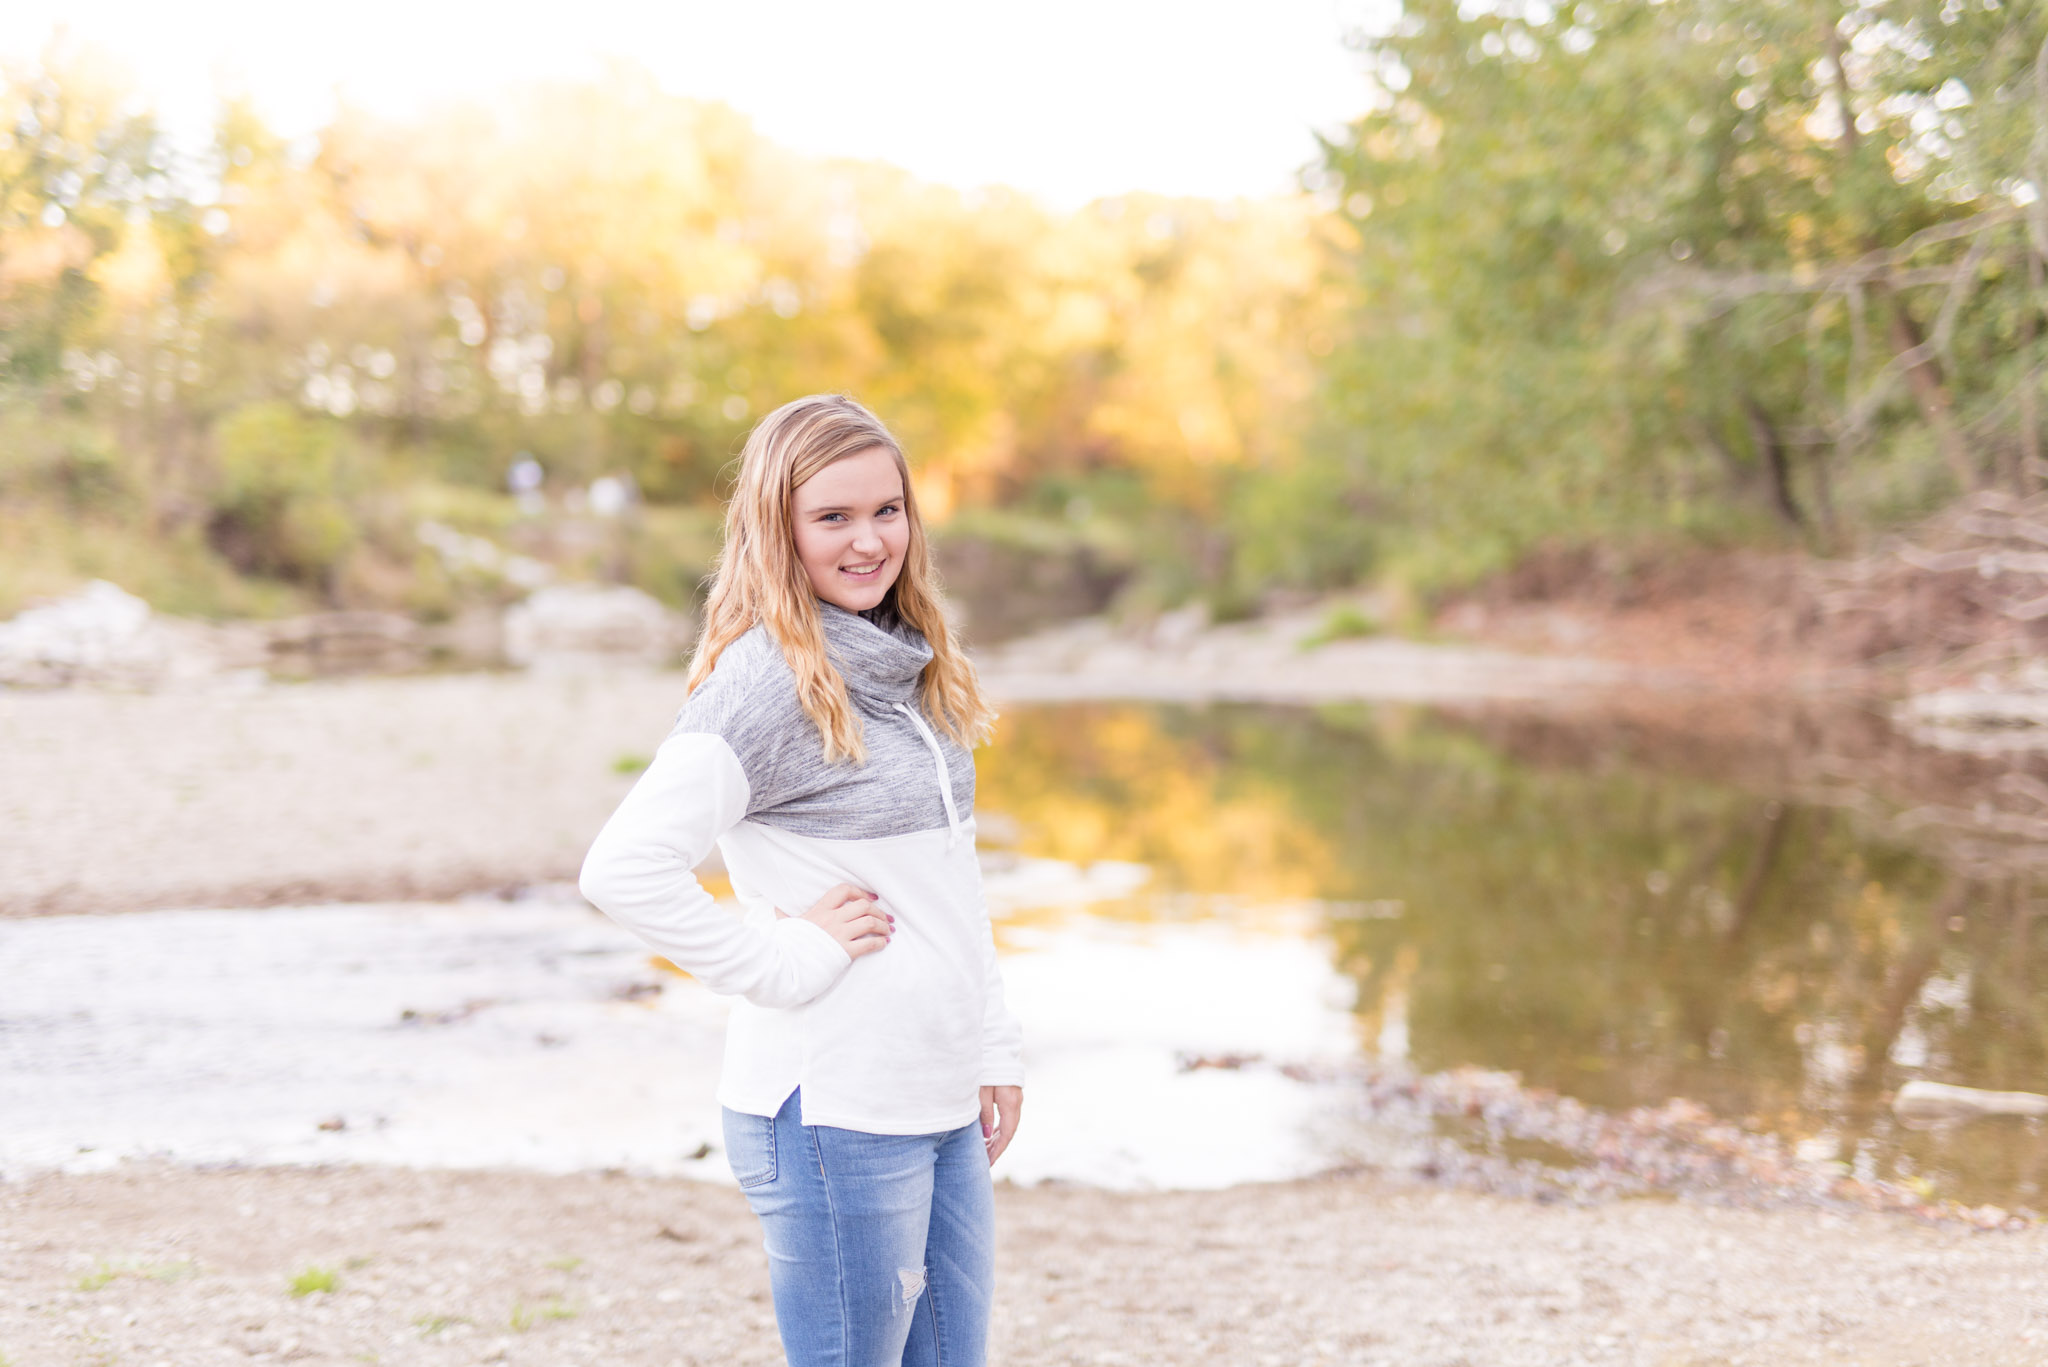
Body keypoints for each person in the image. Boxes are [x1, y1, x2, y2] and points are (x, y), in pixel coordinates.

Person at [577, 393, 1023, 1367]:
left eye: (886, 510)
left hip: (935, 1098)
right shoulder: (765, 683)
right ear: (776, 529)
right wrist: (783, 956)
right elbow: (621, 867)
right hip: (832, 1115)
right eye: (832, 516)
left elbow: (953, 883)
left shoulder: (910, 671)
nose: (868, 540)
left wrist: (992, 1044)